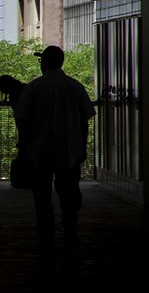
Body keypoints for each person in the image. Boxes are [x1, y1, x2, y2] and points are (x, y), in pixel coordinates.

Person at [14, 45, 96, 247]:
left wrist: (24, 147)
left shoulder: (34, 87)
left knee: (42, 196)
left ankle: (46, 233)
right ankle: (70, 229)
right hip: (68, 149)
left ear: (44, 63)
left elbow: (23, 120)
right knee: (69, 193)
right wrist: (82, 147)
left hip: (39, 150)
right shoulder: (74, 87)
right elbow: (85, 119)